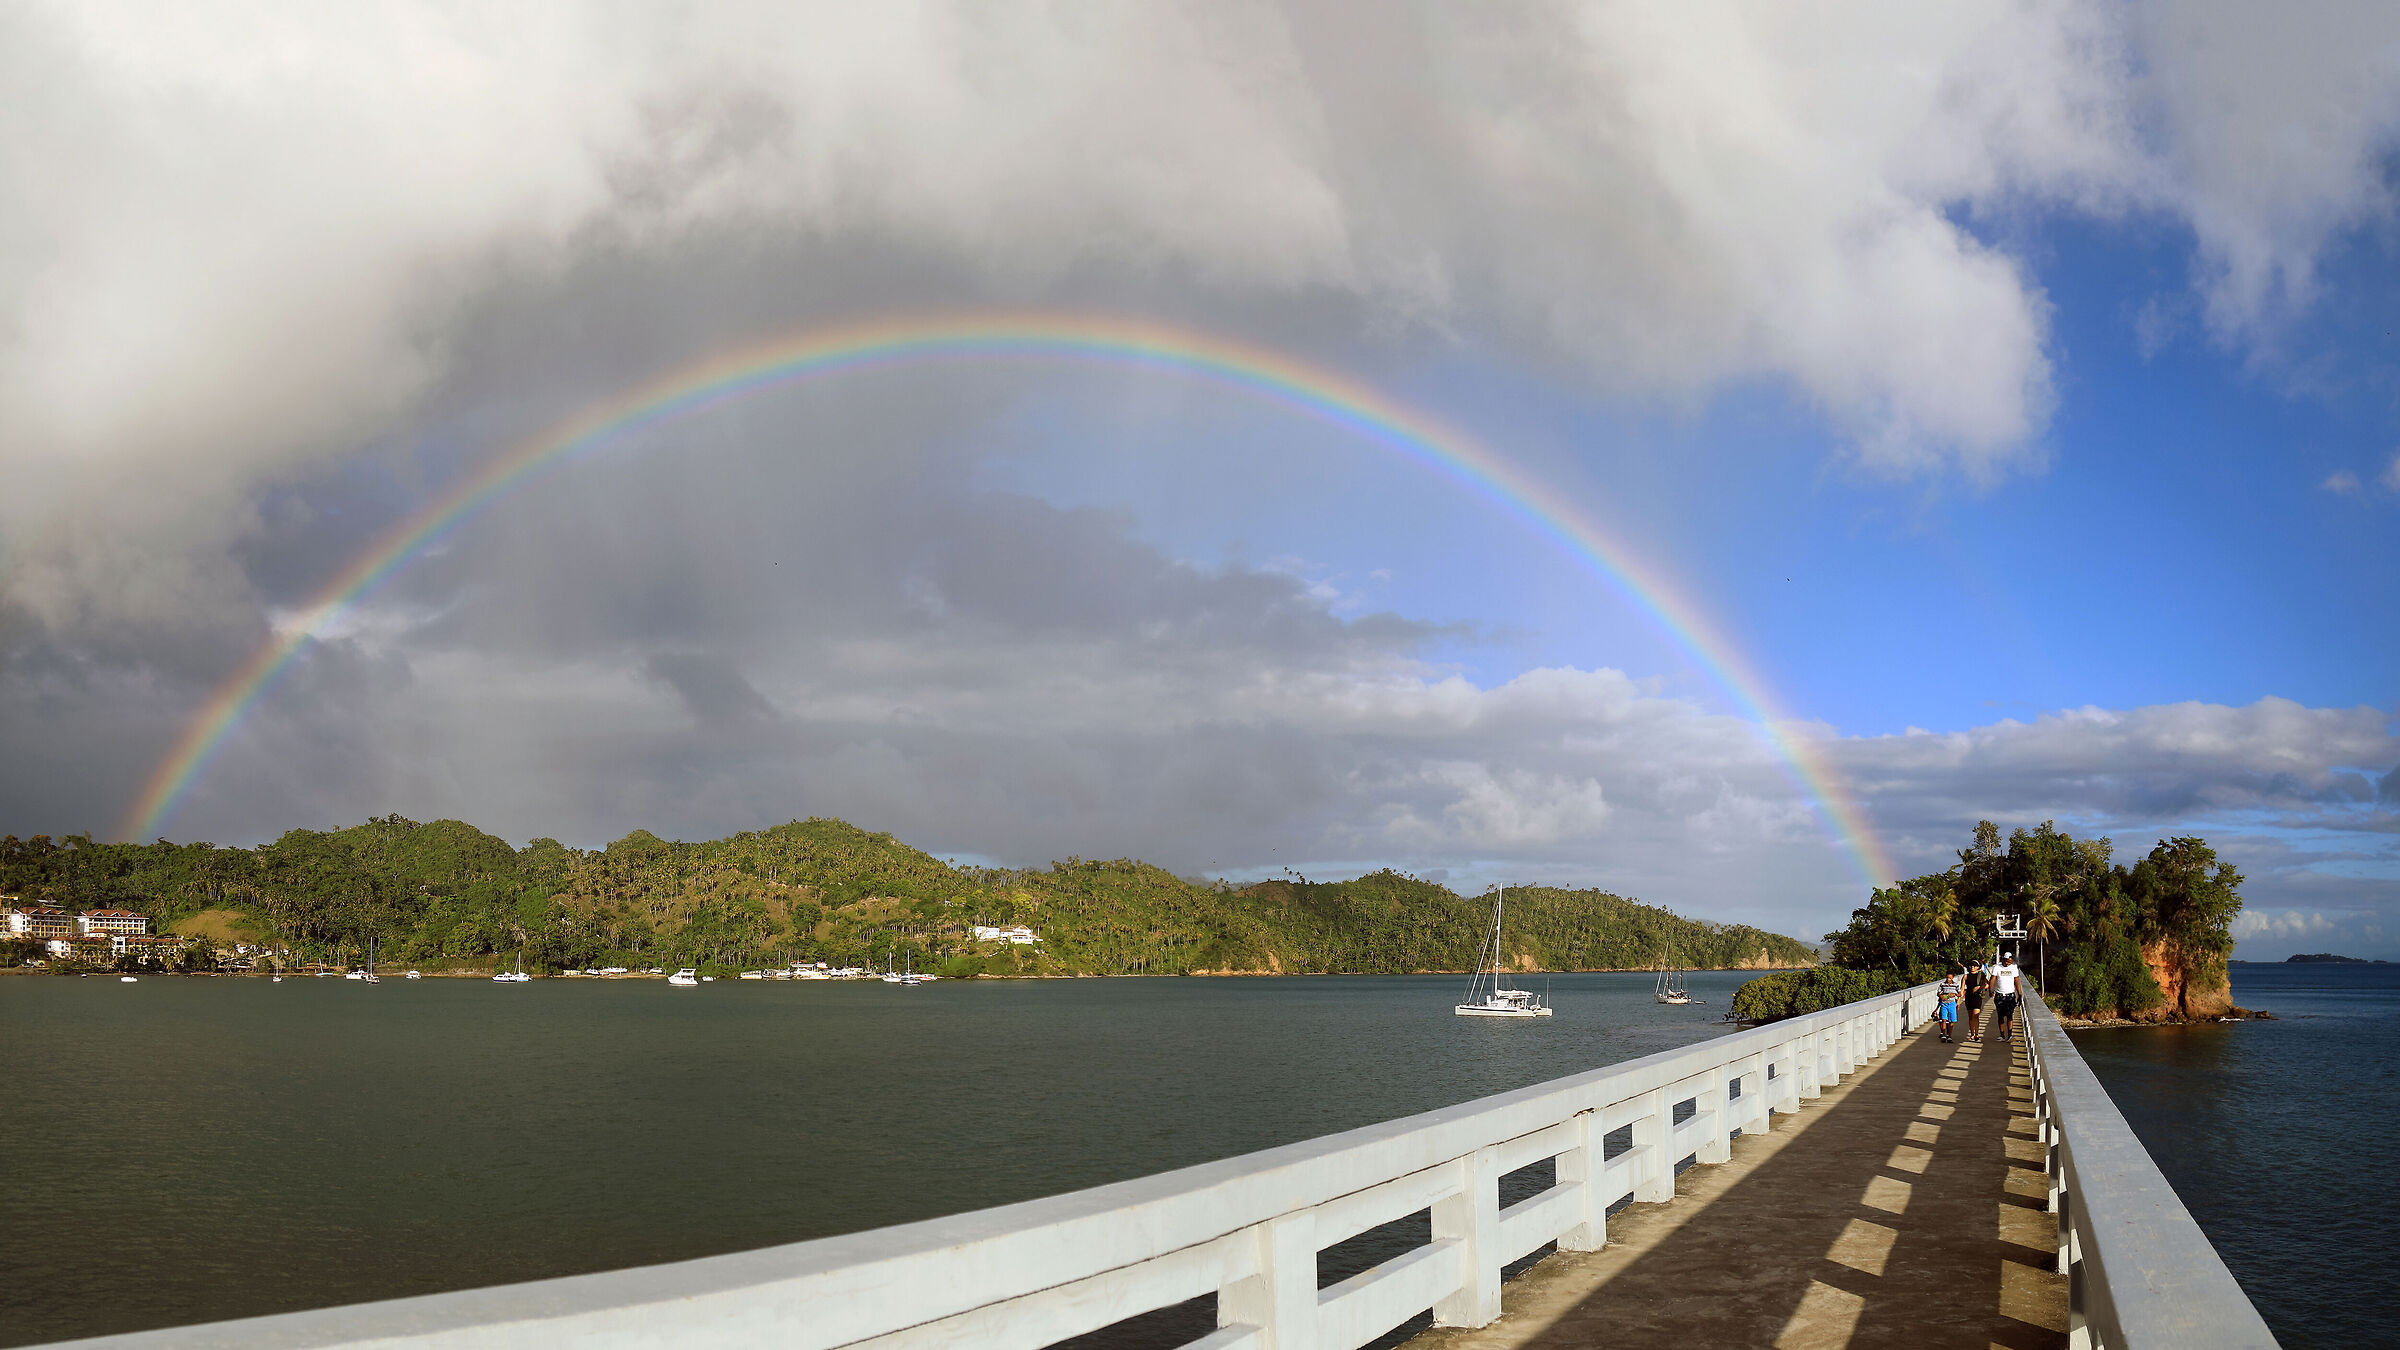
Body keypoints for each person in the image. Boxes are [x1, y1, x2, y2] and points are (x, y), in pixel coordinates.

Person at [1992, 949, 2023, 1043]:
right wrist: (1990, 990)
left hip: (2010, 995)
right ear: (2003, 959)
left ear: (2011, 960)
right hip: (1999, 995)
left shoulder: (2014, 968)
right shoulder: (1997, 967)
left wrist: (2020, 994)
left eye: (2009, 961)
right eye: (2005, 961)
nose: (2007, 963)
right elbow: (1993, 979)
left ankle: (2010, 1035)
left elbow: (2017, 981)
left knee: (2010, 1015)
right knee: (2000, 1016)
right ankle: (2002, 1035)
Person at [1962, 957, 1987, 1042]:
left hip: (1977, 997)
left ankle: (1976, 1034)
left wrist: (1979, 987)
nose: (1972, 967)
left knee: (1976, 1016)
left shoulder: (1981, 975)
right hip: (1968, 997)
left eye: (1974, 966)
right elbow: (1962, 989)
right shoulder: (1965, 976)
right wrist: (1959, 998)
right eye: (1971, 965)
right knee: (1970, 1017)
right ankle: (1972, 1034)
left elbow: (1987, 984)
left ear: (1978, 967)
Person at [1937, 965, 1962, 1043]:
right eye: (1947, 978)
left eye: (1950, 978)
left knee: (1951, 1020)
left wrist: (1954, 994)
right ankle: (1943, 1035)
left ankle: (1949, 1035)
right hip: (1944, 1004)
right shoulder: (1942, 984)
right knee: (1944, 1019)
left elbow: (1960, 994)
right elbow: (1938, 993)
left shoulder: (1955, 985)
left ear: (1953, 978)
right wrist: (1942, 996)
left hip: (1952, 1004)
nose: (1948, 979)